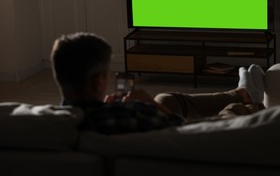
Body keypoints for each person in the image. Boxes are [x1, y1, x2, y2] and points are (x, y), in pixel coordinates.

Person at [51, 32, 266, 135]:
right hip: (210, 139)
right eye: (107, 75)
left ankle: (240, 92)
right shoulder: (136, 116)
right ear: (99, 82)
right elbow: (186, 135)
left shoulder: (49, 124)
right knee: (232, 112)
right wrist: (151, 105)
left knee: (167, 98)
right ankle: (248, 100)